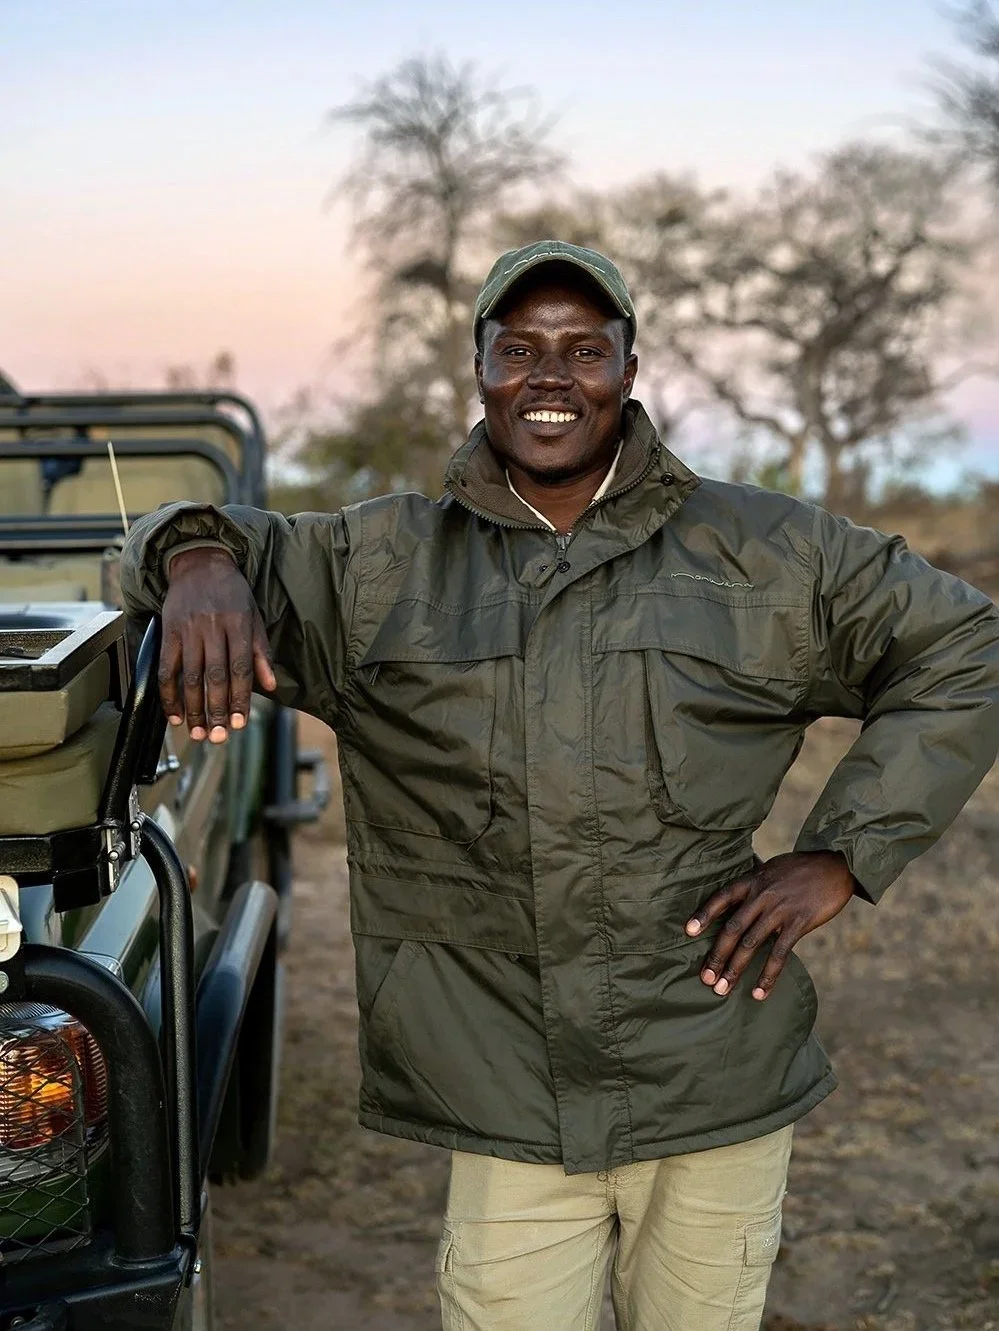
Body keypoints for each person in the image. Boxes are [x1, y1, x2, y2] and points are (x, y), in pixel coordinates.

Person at [120, 240, 999, 1331]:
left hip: (712, 1071)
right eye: (520, 348)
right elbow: (173, 539)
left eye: (585, 349)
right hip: (507, 1099)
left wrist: (841, 853)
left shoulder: (765, 551)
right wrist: (197, 561)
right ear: (480, 369)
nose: (551, 376)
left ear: (629, 369)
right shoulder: (382, 565)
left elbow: (965, 645)